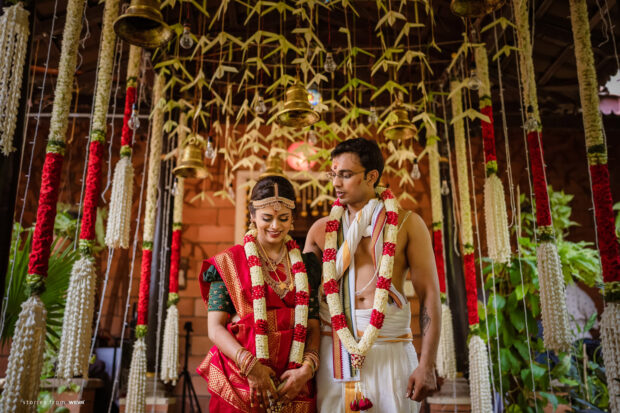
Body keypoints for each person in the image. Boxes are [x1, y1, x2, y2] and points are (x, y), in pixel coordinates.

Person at [304, 138, 441, 412]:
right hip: (335, 354)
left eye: (346, 175)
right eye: (334, 175)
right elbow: (304, 302)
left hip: (390, 350)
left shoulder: (406, 224)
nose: (336, 183)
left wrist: (426, 364)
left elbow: (430, 296)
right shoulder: (320, 230)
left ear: (371, 176)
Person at [197, 175, 322, 413]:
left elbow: (313, 326)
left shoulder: (306, 266)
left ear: (292, 219)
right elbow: (215, 328)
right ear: (253, 216)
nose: (275, 226)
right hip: (240, 381)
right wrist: (251, 366)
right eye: (267, 218)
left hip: (293, 383)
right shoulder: (227, 263)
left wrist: (306, 369)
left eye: (283, 218)